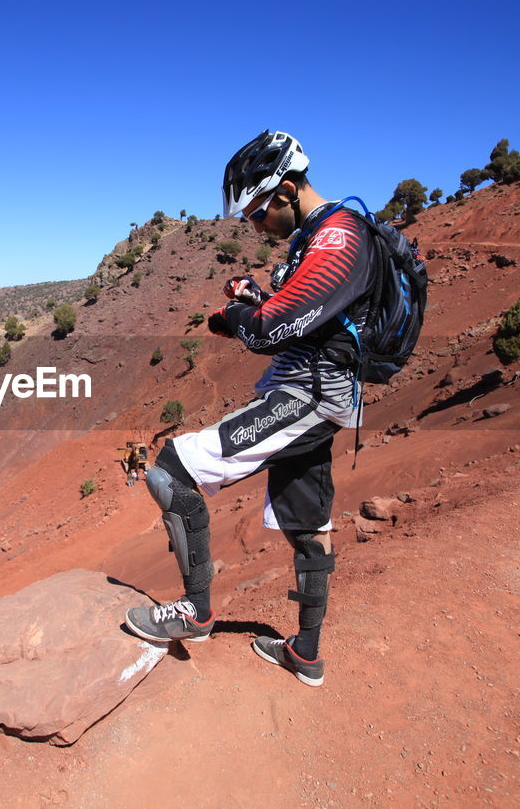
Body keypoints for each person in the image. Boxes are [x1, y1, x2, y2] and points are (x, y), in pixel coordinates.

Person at [124, 130, 378, 687]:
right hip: (317, 390)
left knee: (171, 470)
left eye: (258, 212)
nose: (255, 225)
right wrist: (257, 298)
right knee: (308, 521)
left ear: (287, 189)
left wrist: (233, 318)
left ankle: (195, 613)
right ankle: (306, 653)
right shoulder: (316, 236)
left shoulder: (339, 238)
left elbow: (270, 332)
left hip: (308, 394)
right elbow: (304, 319)